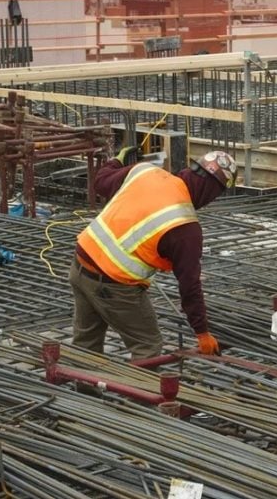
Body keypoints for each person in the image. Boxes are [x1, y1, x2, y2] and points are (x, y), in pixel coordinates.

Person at [72, 148, 238, 361]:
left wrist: (116, 161)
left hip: (79, 265)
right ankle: (139, 394)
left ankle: (85, 390)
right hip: (113, 285)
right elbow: (189, 286)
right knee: (148, 346)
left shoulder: (145, 172)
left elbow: (101, 181)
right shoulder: (185, 226)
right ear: (211, 190)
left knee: (87, 343)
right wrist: (202, 332)